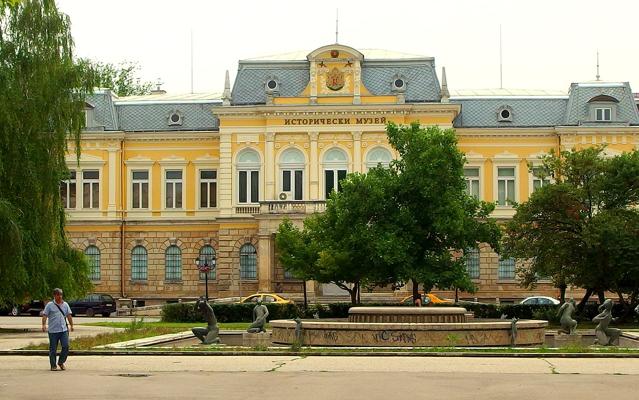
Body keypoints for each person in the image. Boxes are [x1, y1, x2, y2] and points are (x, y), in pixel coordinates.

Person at [41, 288, 73, 371]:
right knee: (53, 349)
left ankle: (61, 362)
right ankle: (53, 365)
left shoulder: (65, 304)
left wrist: (71, 325)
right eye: (58, 295)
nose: (60, 296)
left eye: (61, 294)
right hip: (53, 331)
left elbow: (69, 315)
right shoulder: (49, 305)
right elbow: (45, 315)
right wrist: (44, 325)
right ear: (54, 295)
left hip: (63, 330)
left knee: (66, 346)